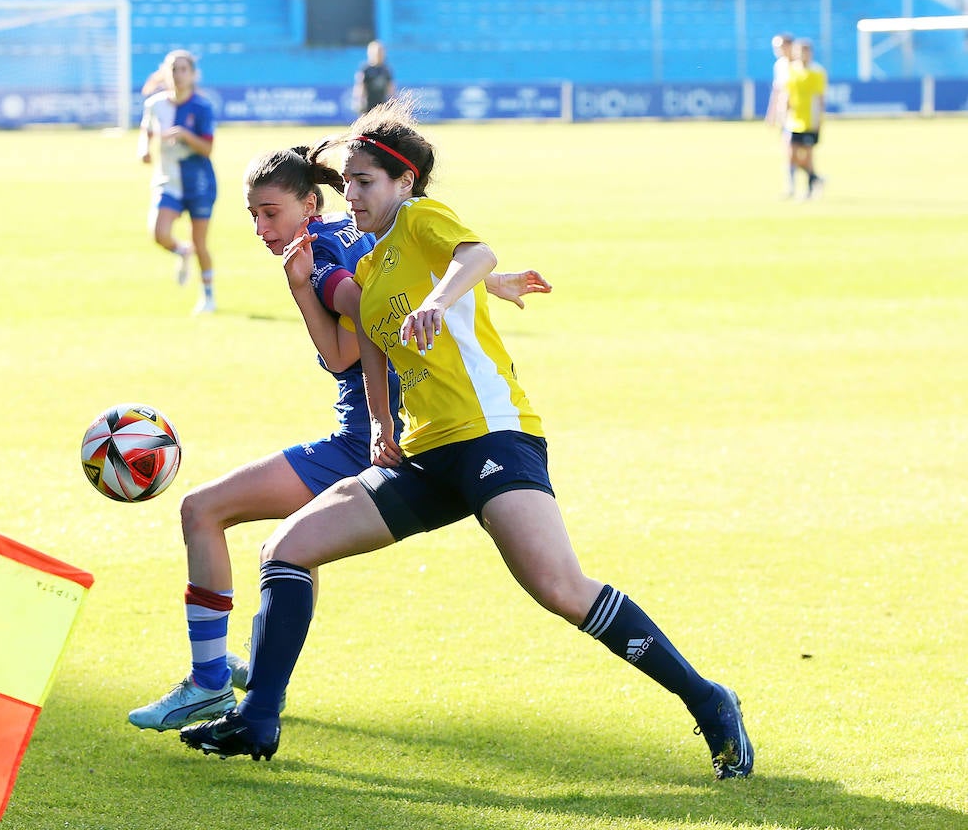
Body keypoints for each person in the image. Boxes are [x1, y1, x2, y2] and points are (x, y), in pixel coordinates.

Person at [181, 98, 754, 783]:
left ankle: (708, 700)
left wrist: (444, 299)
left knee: (559, 587)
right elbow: (356, 354)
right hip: (422, 454)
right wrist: (380, 421)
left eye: (367, 182)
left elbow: (475, 254)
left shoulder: (422, 220)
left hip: (492, 435)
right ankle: (258, 719)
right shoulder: (370, 265)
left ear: (403, 184)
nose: (354, 194)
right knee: (286, 550)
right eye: (351, 181)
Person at [128, 144, 551, 731]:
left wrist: (303, 290)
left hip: (362, 443)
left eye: (270, 213)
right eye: (252, 215)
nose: (260, 228)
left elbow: (347, 345)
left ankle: (207, 683)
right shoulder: (361, 233)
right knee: (294, 548)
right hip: (396, 433)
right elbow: (413, 273)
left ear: (309, 203)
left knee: (202, 510)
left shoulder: (323, 259)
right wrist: (494, 281)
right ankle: (261, 674)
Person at [139, 50, 218, 314]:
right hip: (168, 179)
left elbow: (207, 149)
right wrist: (144, 149)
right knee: (159, 234)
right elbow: (146, 130)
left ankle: (208, 295)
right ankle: (181, 252)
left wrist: (185, 134)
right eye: (174, 69)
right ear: (166, 72)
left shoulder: (202, 107)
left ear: (193, 74)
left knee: (200, 241)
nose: (179, 74)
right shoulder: (155, 104)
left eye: (184, 69)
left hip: (198, 182)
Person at [785, 38, 827, 200]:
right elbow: (788, 94)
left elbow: (820, 98)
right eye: (798, 51)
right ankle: (816, 179)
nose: (801, 54)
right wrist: (784, 114)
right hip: (793, 120)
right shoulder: (791, 70)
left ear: (810, 53)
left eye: (804, 51)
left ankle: (809, 190)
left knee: (808, 156)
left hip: (810, 120)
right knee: (792, 155)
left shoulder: (817, 72)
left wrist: (819, 121)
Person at [763, 32, 795, 196]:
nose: (777, 50)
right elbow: (777, 91)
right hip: (785, 114)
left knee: (799, 152)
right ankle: (791, 186)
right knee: (788, 149)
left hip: (799, 113)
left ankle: (812, 178)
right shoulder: (779, 65)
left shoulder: (799, 66)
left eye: (780, 46)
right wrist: (772, 114)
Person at [352, 40, 396, 114]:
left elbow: (390, 87)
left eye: (381, 52)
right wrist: (358, 100)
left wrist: (393, 101)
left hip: (382, 105)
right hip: (368, 105)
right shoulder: (365, 69)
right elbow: (360, 86)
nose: (380, 54)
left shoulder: (386, 69)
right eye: (377, 52)